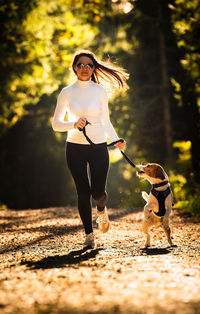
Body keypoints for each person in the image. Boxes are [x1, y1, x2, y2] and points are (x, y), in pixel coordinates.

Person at [52, 49, 129, 248]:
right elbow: (56, 124)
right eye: (81, 65)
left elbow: (106, 120)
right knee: (83, 192)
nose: (85, 68)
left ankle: (101, 211)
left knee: (98, 193)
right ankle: (89, 235)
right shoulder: (66, 92)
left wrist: (116, 139)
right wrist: (73, 124)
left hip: (98, 147)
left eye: (89, 65)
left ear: (93, 68)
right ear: (74, 68)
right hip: (74, 148)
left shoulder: (99, 91)